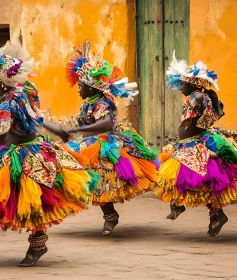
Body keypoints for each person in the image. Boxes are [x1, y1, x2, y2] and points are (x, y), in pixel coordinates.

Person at [0, 42, 97, 267]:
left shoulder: (15, 100)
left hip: (23, 151)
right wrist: (56, 129)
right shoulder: (12, 93)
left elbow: (5, 138)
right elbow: (36, 118)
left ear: (3, 83)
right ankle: (38, 242)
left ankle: (38, 243)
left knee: (32, 197)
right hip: (7, 149)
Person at [156, 52, 237, 236]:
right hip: (189, 143)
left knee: (200, 179)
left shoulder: (197, 97)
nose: (180, 87)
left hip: (196, 144)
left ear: (194, 83)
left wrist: (200, 86)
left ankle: (186, 207)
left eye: (182, 83)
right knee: (200, 181)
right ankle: (209, 213)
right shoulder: (197, 96)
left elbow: (200, 111)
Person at [44, 41, 158, 235]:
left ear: (92, 86)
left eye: (81, 86)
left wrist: (77, 129)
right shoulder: (89, 102)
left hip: (106, 143)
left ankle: (109, 215)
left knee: (101, 180)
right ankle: (103, 213)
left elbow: (106, 124)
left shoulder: (104, 101)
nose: (78, 89)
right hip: (86, 144)